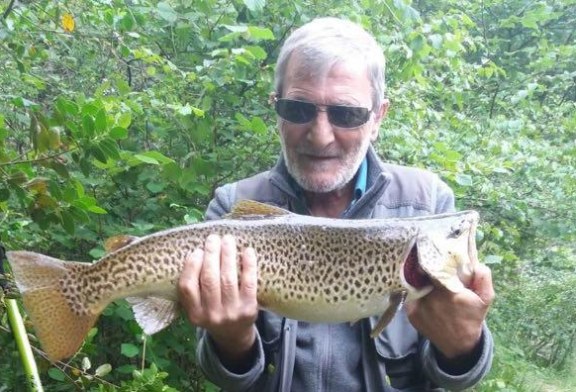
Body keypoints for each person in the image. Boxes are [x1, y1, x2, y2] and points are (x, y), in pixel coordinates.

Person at [178, 17, 495, 391]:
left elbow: (456, 374)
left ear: (378, 118)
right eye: (299, 109)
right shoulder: (233, 206)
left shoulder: (427, 206)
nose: (321, 135)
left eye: (346, 114)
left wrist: (464, 346)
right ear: (276, 108)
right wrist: (231, 340)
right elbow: (229, 376)